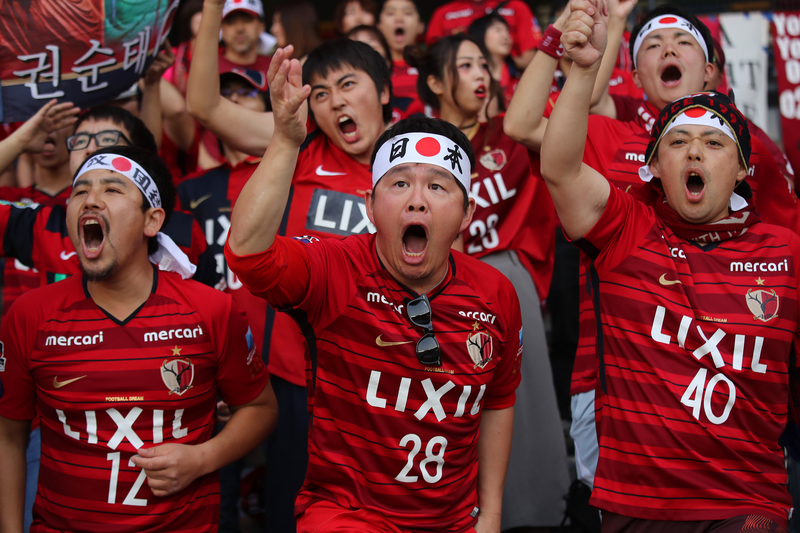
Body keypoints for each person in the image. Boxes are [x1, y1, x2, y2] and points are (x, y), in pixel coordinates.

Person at [505, 1, 800, 494]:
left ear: (710, 69)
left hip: (730, 374)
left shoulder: (754, 152)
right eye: (652, 45)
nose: (667, 49)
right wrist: (571, 39)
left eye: (683, 42)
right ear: (633, 71)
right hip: (615, 373)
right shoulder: (605, 133)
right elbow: (525, 128)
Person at [226, 44, 522, 533]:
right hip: (346, 518)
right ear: (369, 203)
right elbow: (248, 254)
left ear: (468, 214)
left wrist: (488, 517)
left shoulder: (495, 293)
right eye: (399, 184)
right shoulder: (333, 269)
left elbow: (497, 401)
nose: (417, 202)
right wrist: (283, 140)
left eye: (439, 187)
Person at [0, 144, 278, 532]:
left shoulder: (211, 310)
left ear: (153, 221)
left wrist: (203, 459)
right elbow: (9, 437)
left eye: (112, 190)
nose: (91, 200)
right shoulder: (29, 316)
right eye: (79, 192)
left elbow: (261, 409)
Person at [410, 33, 567, 529]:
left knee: (521, 406)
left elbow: (572, 100)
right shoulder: (415, 144)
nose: (482, 74)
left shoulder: (510, 133)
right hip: (429, 287)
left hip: (504, 281)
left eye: (485, 64)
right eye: (466, 65)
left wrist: (561, 36)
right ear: (435, 81)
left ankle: (537, 516)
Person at [426, 0, 542, 70]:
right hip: (460, 88)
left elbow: (531, 60)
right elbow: (434, 62)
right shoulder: (443, 14)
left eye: (505, 30)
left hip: (512, 88)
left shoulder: (516, 7)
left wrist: (500, 62)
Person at [377, 0, 426, 123]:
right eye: (390, 13)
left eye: (407, 13)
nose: (399, 19)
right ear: (379, 26)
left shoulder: (433, 65)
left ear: (421, 26)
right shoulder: (373, 69)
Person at [220, 0, 273, 72]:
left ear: (261, 27)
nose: (239, 28)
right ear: (221, 29)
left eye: (247, 20)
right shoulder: (208, 66)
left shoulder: (276, 68)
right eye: (231, 22)